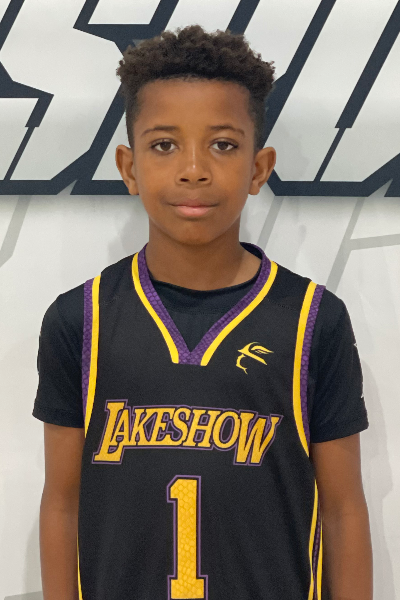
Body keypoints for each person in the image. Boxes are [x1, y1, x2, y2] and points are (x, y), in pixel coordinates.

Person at [33, 24, 373, 600]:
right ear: (129, 167)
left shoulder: (313, 320)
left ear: (259, 168)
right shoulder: (80, 320)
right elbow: (62, 503)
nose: (194, 169)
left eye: (223, 145)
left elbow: (343, 510)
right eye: (164, 145)